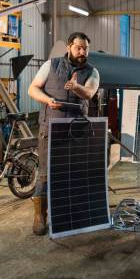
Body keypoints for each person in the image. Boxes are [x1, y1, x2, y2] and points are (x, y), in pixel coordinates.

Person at [27, 32, 100, 235]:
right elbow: (32, 89)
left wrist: (76, 86)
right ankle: (40, 216)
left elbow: (89, 93)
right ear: (69, 47)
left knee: (73, 173)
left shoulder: (92, 71)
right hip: (50, 127)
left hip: (77, 130)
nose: (83, 52)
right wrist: (48, 100)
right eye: (79, 47)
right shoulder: (50, 65)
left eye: (86, 48)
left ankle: (69, 214)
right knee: (45, 175)